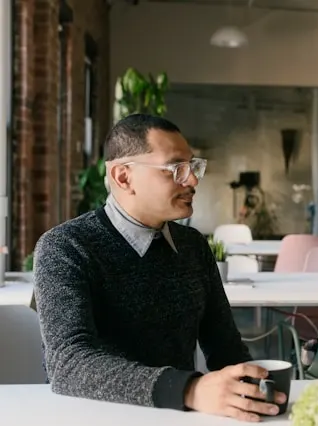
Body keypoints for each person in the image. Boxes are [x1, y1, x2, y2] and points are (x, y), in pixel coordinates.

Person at [33, 114, 284, 422]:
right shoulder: (66, 248)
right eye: (176, 168)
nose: (192, 180)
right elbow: (68, 364)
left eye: (192, 166)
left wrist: (258, 395)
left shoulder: (192, 246)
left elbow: (225, 350)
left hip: (177, 417)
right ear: (123, 177)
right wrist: (189, 390)